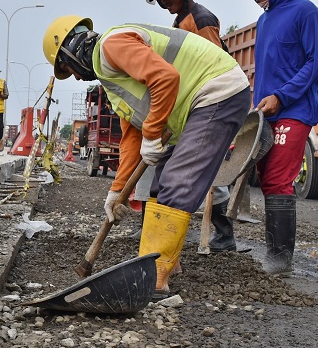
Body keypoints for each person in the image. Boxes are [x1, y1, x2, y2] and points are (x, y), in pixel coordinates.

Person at [42, 15, 251, 298]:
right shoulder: (111, 81)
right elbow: (132, 137)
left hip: (217, 91)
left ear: (73, 49)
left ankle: (154, 278)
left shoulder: (111, 46)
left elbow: (166, 78)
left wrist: (152, 133)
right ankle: (167, 261)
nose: (77, 77)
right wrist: (117, 191)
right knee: (157, 187)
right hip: (198, 104)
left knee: (178, 181)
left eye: (68, 68)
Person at [233, 0, 318, 275]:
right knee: (266, 179)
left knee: (277, 179)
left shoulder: (305, 11)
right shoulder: (264, 21)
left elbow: (316, 64)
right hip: (266, 113)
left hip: (295, 110)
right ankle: (275, 252)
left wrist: (281, 96)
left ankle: (280, 257)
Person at [145, 0, 237, 253]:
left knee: (210, 174)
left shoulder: (200, 19)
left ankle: (223, 236)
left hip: (207, 102)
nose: (164, 3)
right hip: (189, 105)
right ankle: (159, 229)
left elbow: (212, 63)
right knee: (174, 169)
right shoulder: (180, 21)